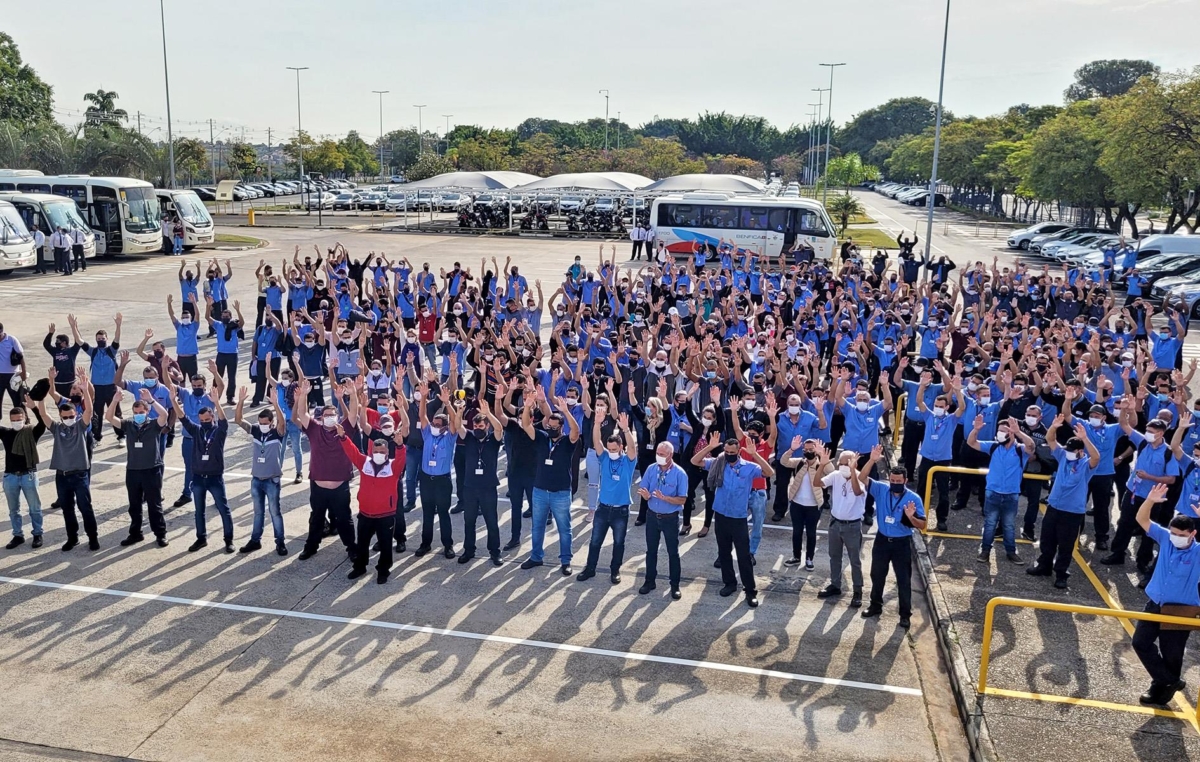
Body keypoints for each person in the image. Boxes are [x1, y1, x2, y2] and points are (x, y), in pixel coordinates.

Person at [1130, 482, 1200, 707]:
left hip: (1180, 611)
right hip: (1155, 604)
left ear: (1193, 534)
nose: (1176, 537)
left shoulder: (1198, 552)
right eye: (1173, 533)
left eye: (1181, 534)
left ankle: (1161, 690)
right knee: (1140, 642)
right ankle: (1169, 681)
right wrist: (1150, 500)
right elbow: (1142, 520)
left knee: (1173, 653)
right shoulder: (1166, 539)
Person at [693, 436, 775, 608]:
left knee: (743, 556)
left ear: (739, 451)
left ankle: (750, 590)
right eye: (727, 452)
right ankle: (729, 583)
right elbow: (695, 461)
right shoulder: (718, 463)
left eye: (732, 452)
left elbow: (769, 473)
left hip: (738, 518)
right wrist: (709, 447)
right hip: (721, 515)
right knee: (723, 553)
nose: (729, 454)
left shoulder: (749, 468)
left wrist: (755, 455)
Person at [1026, 416, 1101, 589]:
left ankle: (1061, 574)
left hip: (1072, 512)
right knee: (1047, 540)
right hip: (1054, 507)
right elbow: (1050, 439)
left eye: (1072, 451)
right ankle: (1044, 566)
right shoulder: (1063, 457)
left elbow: (1096, 457)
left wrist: (1085, 439)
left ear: (1081, 452)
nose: (1068, 452)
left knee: (1066, 545)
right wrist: (1053, 426)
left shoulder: (1085, 465)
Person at [858, 445, 927, 628]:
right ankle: (875, 605)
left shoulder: (914, 499)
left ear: (905, 480)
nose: (895, 483)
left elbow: (923, 525)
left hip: (901, 543)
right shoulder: (881, 489)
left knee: (903, 579)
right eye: (893, 480)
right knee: (877, 574)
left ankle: (905, 614)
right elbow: (862, 478)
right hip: (882, 540)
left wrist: (912, 517)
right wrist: (872, 460)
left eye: (899, 480)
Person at [292, 378, 357, 560]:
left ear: (337, 416)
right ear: (321, 417)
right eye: (326, 414)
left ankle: (352, 548)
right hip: (318, 486)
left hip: (340, 487)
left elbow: (353, 413)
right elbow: (302, 413)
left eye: (332, 414)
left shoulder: (344, 429)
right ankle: (311, 547)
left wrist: (352, 394)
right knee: (316, 519)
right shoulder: (314, 428)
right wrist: (304, 394)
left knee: (345, 520)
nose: (330, 417)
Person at [36, 372, 99, 551]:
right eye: (65, 417)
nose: (69, 419)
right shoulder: (56, 428)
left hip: (79, 475)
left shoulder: (80, 425)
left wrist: (86, 390)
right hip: (62, 476)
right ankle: (73, 538)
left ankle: (92, 537)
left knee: (85, 508)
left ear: (75, 415)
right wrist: (42, 394)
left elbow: (89, 411)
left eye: (71, 416)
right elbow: (43, 414)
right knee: (67, 509)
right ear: (61, 416)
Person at [519, 389, 580, 574]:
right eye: (549, 425)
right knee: (537, 526)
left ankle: (565, 561)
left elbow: (576, 431)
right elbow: (526, 425)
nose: (551, 428)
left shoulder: (568, 442)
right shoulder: (542, 438)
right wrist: (528, 405)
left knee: (564, 528)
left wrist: (566, 412)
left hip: (560, 492)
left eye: (555, 426)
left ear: (561, 427)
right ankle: (536, 557)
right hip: (540, 491)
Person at [339, 422, 405, 584]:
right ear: (371, 452)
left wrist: (400, 445)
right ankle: (360, 567)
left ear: (387, 453)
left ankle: (383, 570)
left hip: (386, 515)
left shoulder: (393, 467)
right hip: (365, 514)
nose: (378, 454)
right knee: (362, 543)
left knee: (386, 545)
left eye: (382, 452)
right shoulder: (365, 463)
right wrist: (343, 437)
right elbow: (352, 452)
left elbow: (402, 458)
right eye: (376, 452)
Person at [171, 385, 235, 553]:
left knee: (223, 508)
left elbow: (223, 421)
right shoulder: (197, 430)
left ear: (212, 417)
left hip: (215, 477)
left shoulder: (219, 432)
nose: (204, 423)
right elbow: (183, 418)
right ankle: (201, 538)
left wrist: (217, 403)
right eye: (202, 421)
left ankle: (228, 540)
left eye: (207, 420)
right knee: (199, 511)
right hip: (198, 477)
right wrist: (173, 401)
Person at [104, 389, 169, 548]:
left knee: (154, 505)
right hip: (133, 470)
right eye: (136, 412)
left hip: (152, 469)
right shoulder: (129, 425)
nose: (138, 414)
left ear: (147, 412)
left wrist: (151, 400)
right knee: (134, 505)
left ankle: (160, 534)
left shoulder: (154, 424)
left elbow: (164, 416)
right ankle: (135, 533)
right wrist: (114, 401)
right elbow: (109, 418)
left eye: (141, 412)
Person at [579, 410, 637, 584]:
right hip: (603, 509)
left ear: (620, 447)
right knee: (595, 541)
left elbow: (633, 448)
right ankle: (590, 569)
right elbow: (596, 442)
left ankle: (615, 571)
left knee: (618, 543)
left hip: (621, 511)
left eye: (614, 449)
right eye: (609, 448)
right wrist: (597, 423)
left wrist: (626, 430)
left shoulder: (628, 461)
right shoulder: (604, 458)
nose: (611, 451)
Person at [968, 415, 1034, 564]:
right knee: (989, 524)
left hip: (1011, 494)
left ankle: (1011, 552)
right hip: (992, 492)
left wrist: (1019, 433)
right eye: (999, 431)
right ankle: (985, 550)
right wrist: (976, 430)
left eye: (1003, 431)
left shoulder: (1019, 449)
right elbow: (971, 442)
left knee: (1009, 525)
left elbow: (1031, 447)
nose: (999, 434)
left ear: (1011, 433)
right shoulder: (993, 446)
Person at [233, 386, 288, 555]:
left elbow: (282, 422)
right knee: (258, 513)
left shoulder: (277, 432)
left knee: (275, 512)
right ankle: (255, 540)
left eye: (266, 423)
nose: (262, 426)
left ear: (271, 422)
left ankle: (280, 542)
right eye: (260, 422)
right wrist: (241, 401)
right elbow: (238, 420)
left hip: (272, 479)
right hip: (256, 479)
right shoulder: (256, 430)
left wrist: (276, 404)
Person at [457, 393, 504, 567]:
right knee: (469, 520)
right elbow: (457, 427)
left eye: (480, 425)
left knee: (491, 521)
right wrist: (459, 412)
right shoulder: (469, 437)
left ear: (486, 426)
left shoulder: (493, 439)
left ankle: (495, 551)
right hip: (469, 487)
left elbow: (499, 429)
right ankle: (469, 550)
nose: (477, 427)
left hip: (488, 487)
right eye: (475, 425)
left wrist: (488, 414)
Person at [637, 441, 689, 599]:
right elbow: (644, 488)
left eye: (662, 454)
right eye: (657, 454)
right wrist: (645, 495)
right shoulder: (651, 469)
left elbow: (682, 500)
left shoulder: (680, 474)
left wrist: (665, 498)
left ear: (671, 455)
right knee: (651, 551)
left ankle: (674, 585)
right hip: (652, 516)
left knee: (673, 552)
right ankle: (649, 581)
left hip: (670, 519)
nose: (658, 457)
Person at [414, 380, 459, 559]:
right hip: (426, 479)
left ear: (445, 427)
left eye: (438, 424)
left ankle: (448, 545)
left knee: (443, 513)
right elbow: (422, 415)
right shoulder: (427, 434)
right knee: (427, 514)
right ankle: (425, 544)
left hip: (442, 481)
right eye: (433, 423)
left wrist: (448, 404)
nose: (434, 425)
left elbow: (455, 421)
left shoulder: (449, 438)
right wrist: (424, 397)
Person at [817, 448, 867, 607]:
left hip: (852, 526)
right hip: (835, 523)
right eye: (842, 463)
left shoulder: (861, 477)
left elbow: (858, 490)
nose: (844, 466)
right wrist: (822, 465)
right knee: (834, 556)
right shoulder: (836, 476)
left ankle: (857, 591)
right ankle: (835, 584)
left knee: (854, 560)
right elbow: (817, 483)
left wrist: (853, 471)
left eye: (848, 463)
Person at [780, 437, 832, 570]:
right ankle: (796, 557)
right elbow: (783, 461)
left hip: (814, 506)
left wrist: (822, 456)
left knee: (811, 533)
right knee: (796, 532)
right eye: (806, 449)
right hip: (797, 504)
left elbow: (832, 472)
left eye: (811, 449)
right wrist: (792, 449)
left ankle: (809, 559)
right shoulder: (799, 463)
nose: (808, 451)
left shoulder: (822, 465)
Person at [0, 397, 46, 549]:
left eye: (19, 419)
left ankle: (38, 534)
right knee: (14, 509)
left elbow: (43, 422)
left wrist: (34, 407)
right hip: (10, 476)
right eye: (13, 420)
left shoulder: (31, 433)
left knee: (34, 508)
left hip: (29, 475)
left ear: (25, 418)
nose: (17, 422)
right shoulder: (6, 433)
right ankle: (18, 535)